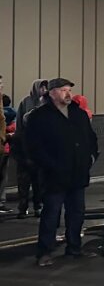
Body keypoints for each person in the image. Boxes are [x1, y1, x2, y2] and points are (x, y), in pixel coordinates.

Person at [26, 79, 98, 266]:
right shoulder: (40, 116)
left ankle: (74, 247)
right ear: (51, 93)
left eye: (69, 90)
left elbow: (91, 138)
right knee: (51, 214)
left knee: (77, 213)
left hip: (77, 173)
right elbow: (33, 147)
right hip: (54, 174)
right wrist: (49, 165)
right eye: (62, 90)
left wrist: (90, 157)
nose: (68, 94)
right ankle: (45, 251)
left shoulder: (78, 114)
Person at [15, 79, 48, 217]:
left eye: (45, 88)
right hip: (24, 146)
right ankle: (22, 207)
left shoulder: (46, 103)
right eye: (42, 87)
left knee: (38, 181)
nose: (44, 90)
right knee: (23, 181)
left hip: (40, 148)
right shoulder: (26, 102)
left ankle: (37, 205)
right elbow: (19, 124)